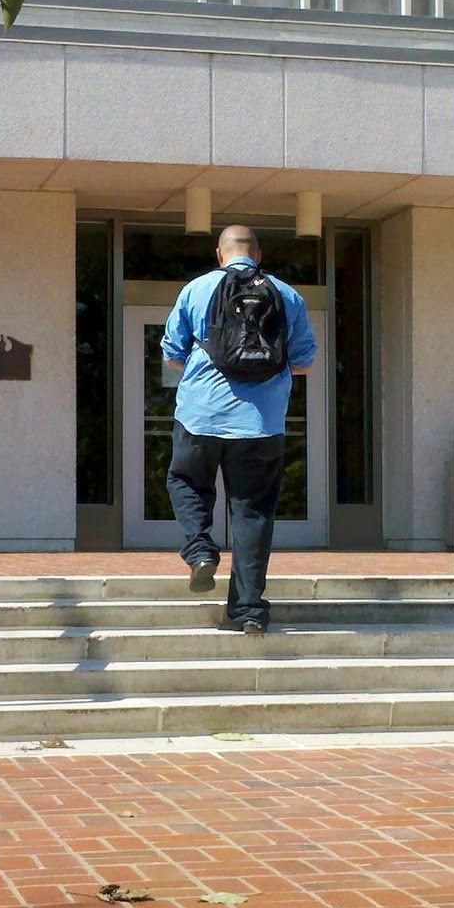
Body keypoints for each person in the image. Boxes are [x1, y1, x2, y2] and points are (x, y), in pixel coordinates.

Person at [161, 224, 317, 634]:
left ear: (220, 254)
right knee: (252, 513)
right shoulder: (286, 295)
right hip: (261, 424)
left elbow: (172, 355)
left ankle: (200, 551)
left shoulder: (196, 290)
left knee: (185, 481)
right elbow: (304, 361)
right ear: (259, 255)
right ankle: (248, 612)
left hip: (200, 417)